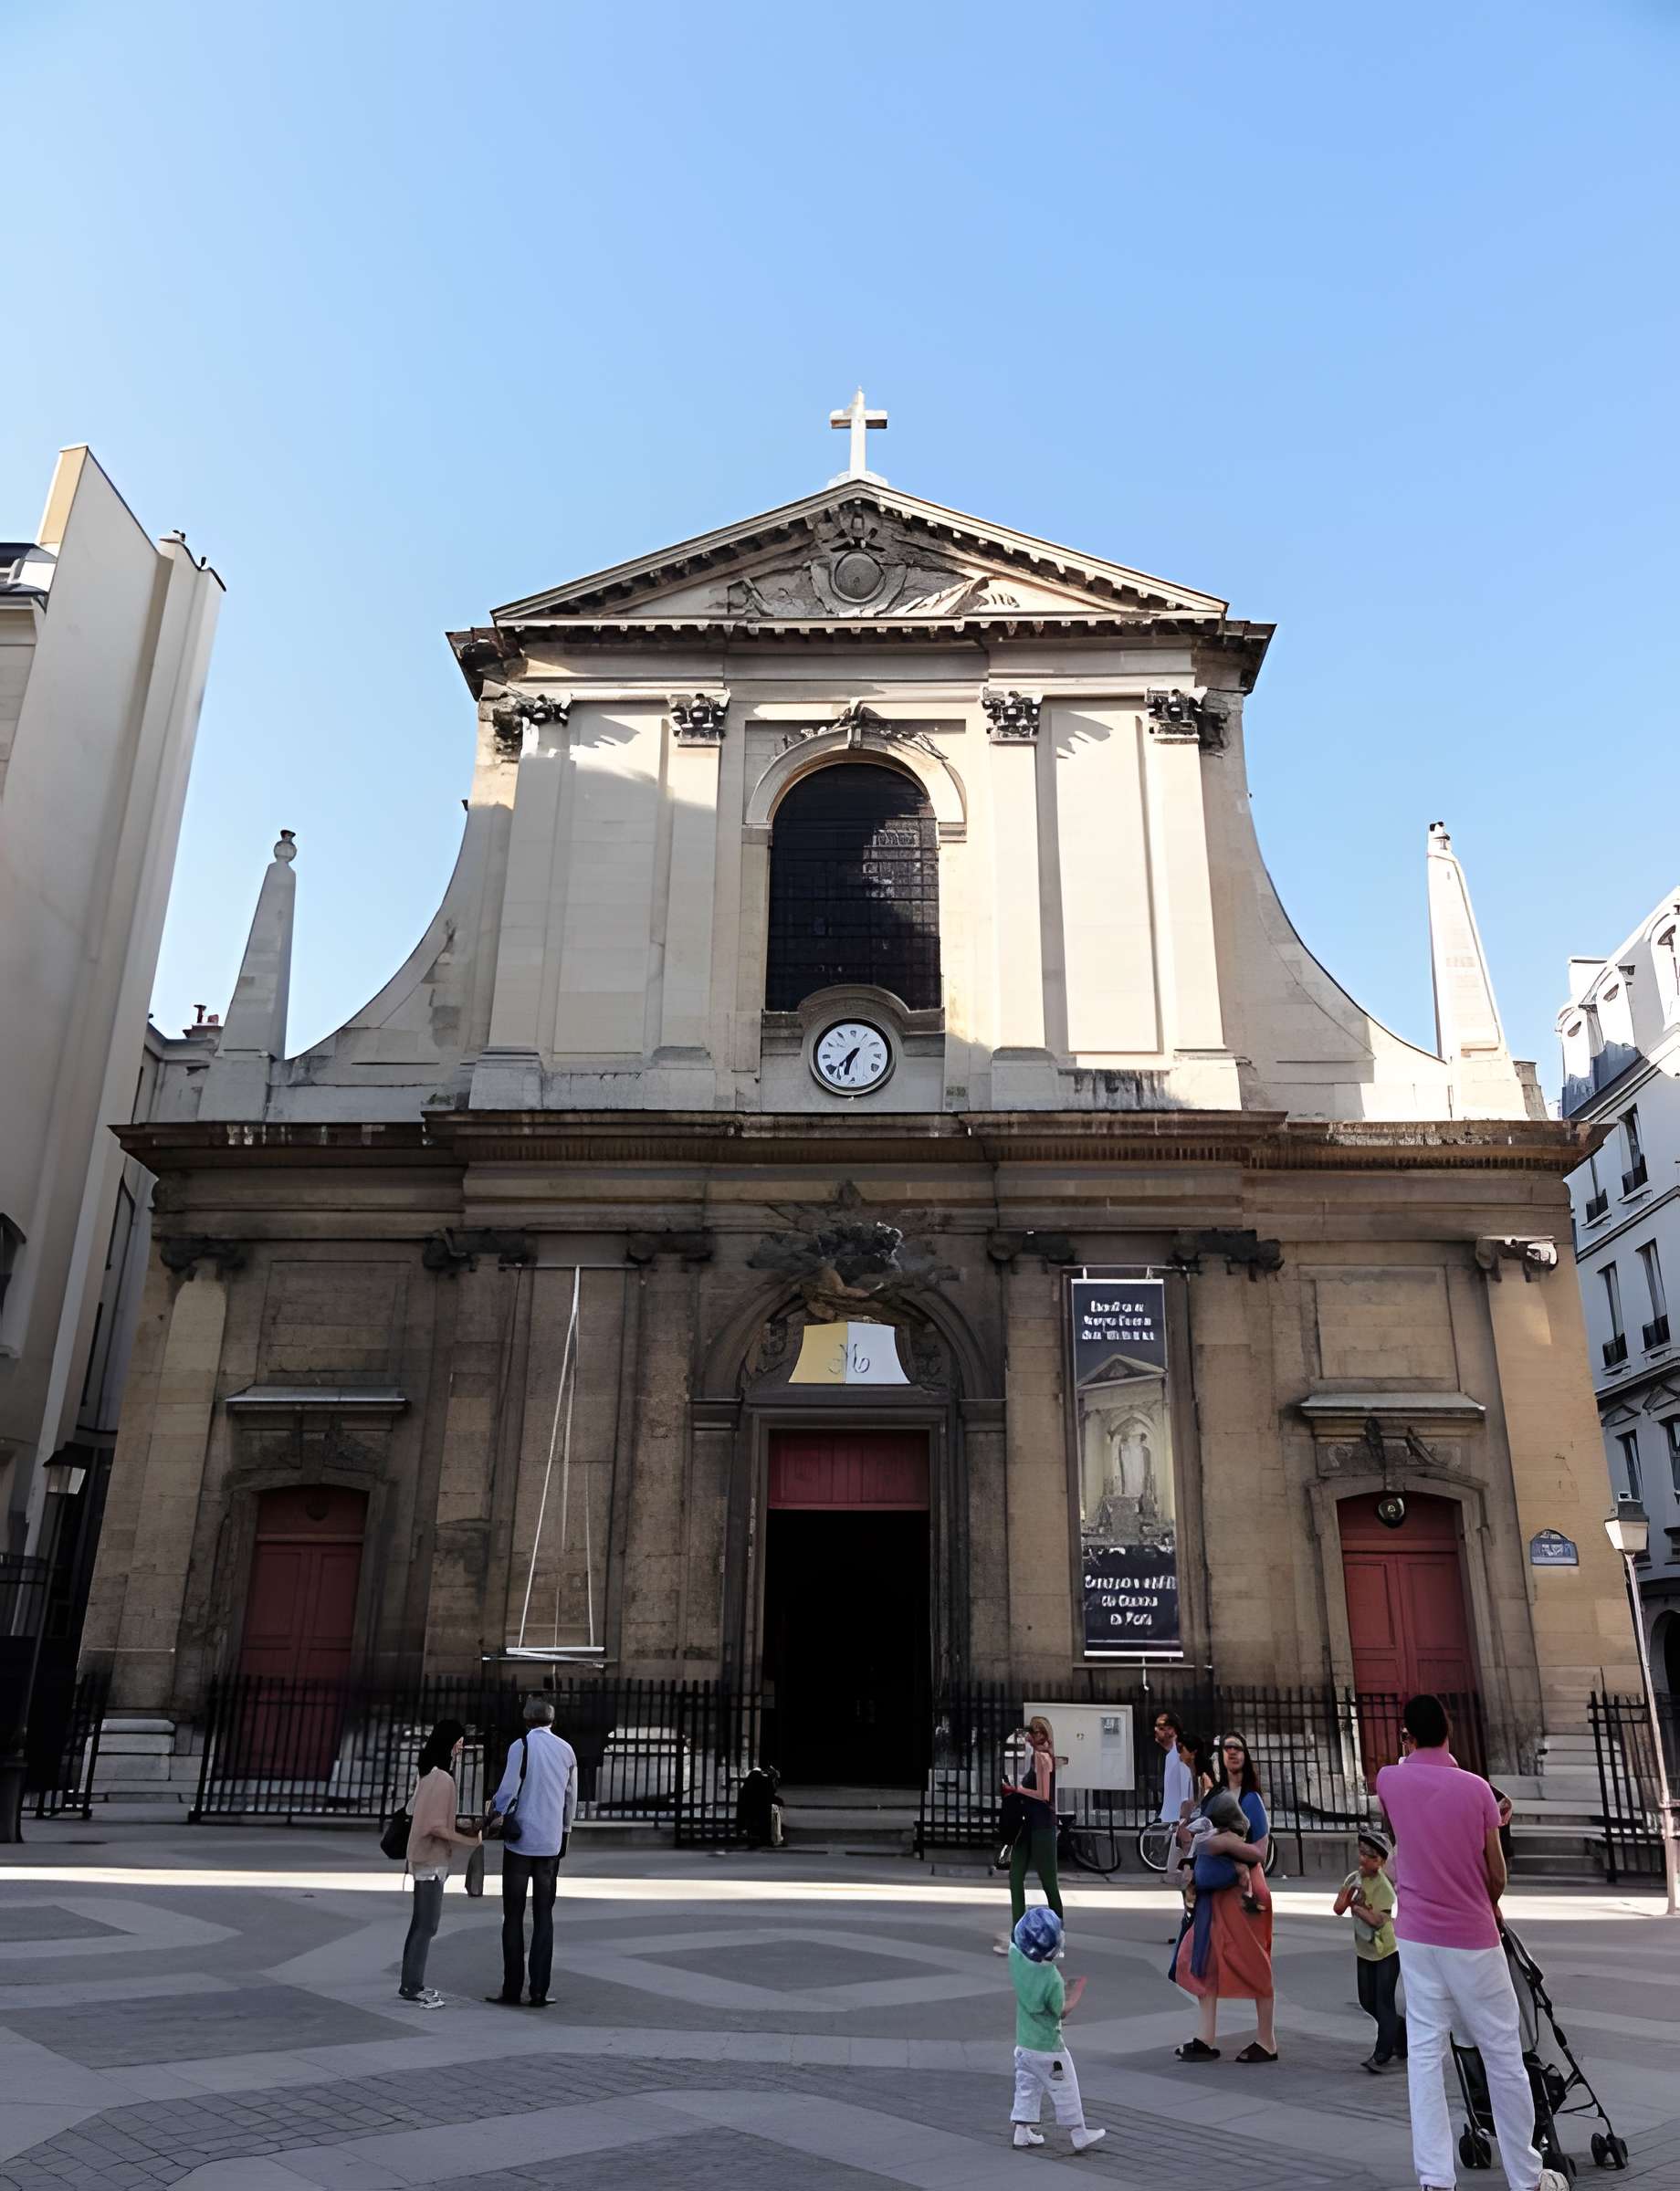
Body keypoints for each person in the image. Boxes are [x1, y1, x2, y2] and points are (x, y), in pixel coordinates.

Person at [1377, 1693, 1566, 2191]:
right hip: (1472, 1937)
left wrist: (1411, 1750)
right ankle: (1525, 2176)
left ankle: (1435, 2178)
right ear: (1450, 1732)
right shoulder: (1477, 1790)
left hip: (1416, 1937)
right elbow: (1497, 1876)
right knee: (1502, 2053)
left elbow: (1406, 1794)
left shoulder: (1389, 1780)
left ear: (1407, 1736)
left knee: (1424, 2055)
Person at [1170, 1730, 1277, 2062]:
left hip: (1243, 1892)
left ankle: (1267, 2039)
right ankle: (1205, 2037)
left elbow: (1260, 1852)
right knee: (1199, 1957)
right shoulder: (1212, 1795)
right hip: (1213, 1889)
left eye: (1237, 1748)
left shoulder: (1250, 1800)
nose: (1231, 1753)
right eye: (1226, 1748)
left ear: (1246, 1756)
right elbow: (1194, 1840)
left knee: (1252, 1961)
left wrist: (1225, 1844)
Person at [484, 1694, 578, 2008]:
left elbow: (509, 1788)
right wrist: (565, 1832)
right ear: (553, 1721)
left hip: (521, 1840)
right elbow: (571, 1799)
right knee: (544, 1916)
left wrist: (493, 1812)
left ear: (526, 1720)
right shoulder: (566, 1750)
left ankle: (512, 1988)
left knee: (512, 1915)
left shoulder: (520, 1746)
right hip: (550, 1842)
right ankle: (539, 1990)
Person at [1006, 1905, 1107, 2154]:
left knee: (1027, 2087)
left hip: (1024, 2045)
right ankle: (1079, 2133)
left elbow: (1012, 1943)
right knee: (1065, 2088)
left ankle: (1022, 2131)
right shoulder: (1052, 1978)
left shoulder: (1016, 1959)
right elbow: (1060, 2011)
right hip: (1049, 2050)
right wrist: (1076, 1993)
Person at [399, 1718, 480, 2008]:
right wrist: (469, 1840)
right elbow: (434, 1826)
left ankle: (409, 1983)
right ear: (451, 1743)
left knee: (419, 1923)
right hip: (431, 1860)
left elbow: (414, 1810)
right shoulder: (443, 1779)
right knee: (427, 1926)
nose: (461, 1748)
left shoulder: (427, 1774)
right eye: (460, 1741)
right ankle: (413, 1985)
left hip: (420, 1858)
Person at [1334, 1828, 1404, 2071]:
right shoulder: (1353, 1879)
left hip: (1386, 1951)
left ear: (1383, 1861)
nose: (1364, 1859)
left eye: (1371, 1856)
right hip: (1364, 1950)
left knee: (1383, 2001)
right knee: (1367, 2000)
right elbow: (1338, 1907)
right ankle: (1400, 2031)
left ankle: (1382, 2053)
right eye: (1362, 1853)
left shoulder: (1384, 1887)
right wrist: (1347, 1899)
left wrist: (1358, 1907)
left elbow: (1378, 1920)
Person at [993, 1715, 1065, 1954]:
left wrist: (1018, 1789)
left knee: (1049, 1882)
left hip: (1042, 1826)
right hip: (1028, 1826)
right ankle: (1017, 1934)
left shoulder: (1043, 1758)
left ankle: (1057, 1937)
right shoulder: (1037, 1757)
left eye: (1032, 1733)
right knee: (1015, 1876)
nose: (1028, 1737)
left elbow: (1044, 1795)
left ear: (1041, 1736)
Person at [1153, 1707, 1192, 1824]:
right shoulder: (1166, 1756)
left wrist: (1181, 1825)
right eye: (1160, 1728)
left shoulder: (1180, 1756)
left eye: (1168, 1728)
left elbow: (1187, 1800)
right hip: (1168, 1819)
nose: (1164, 1732)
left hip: (1176, 1822)